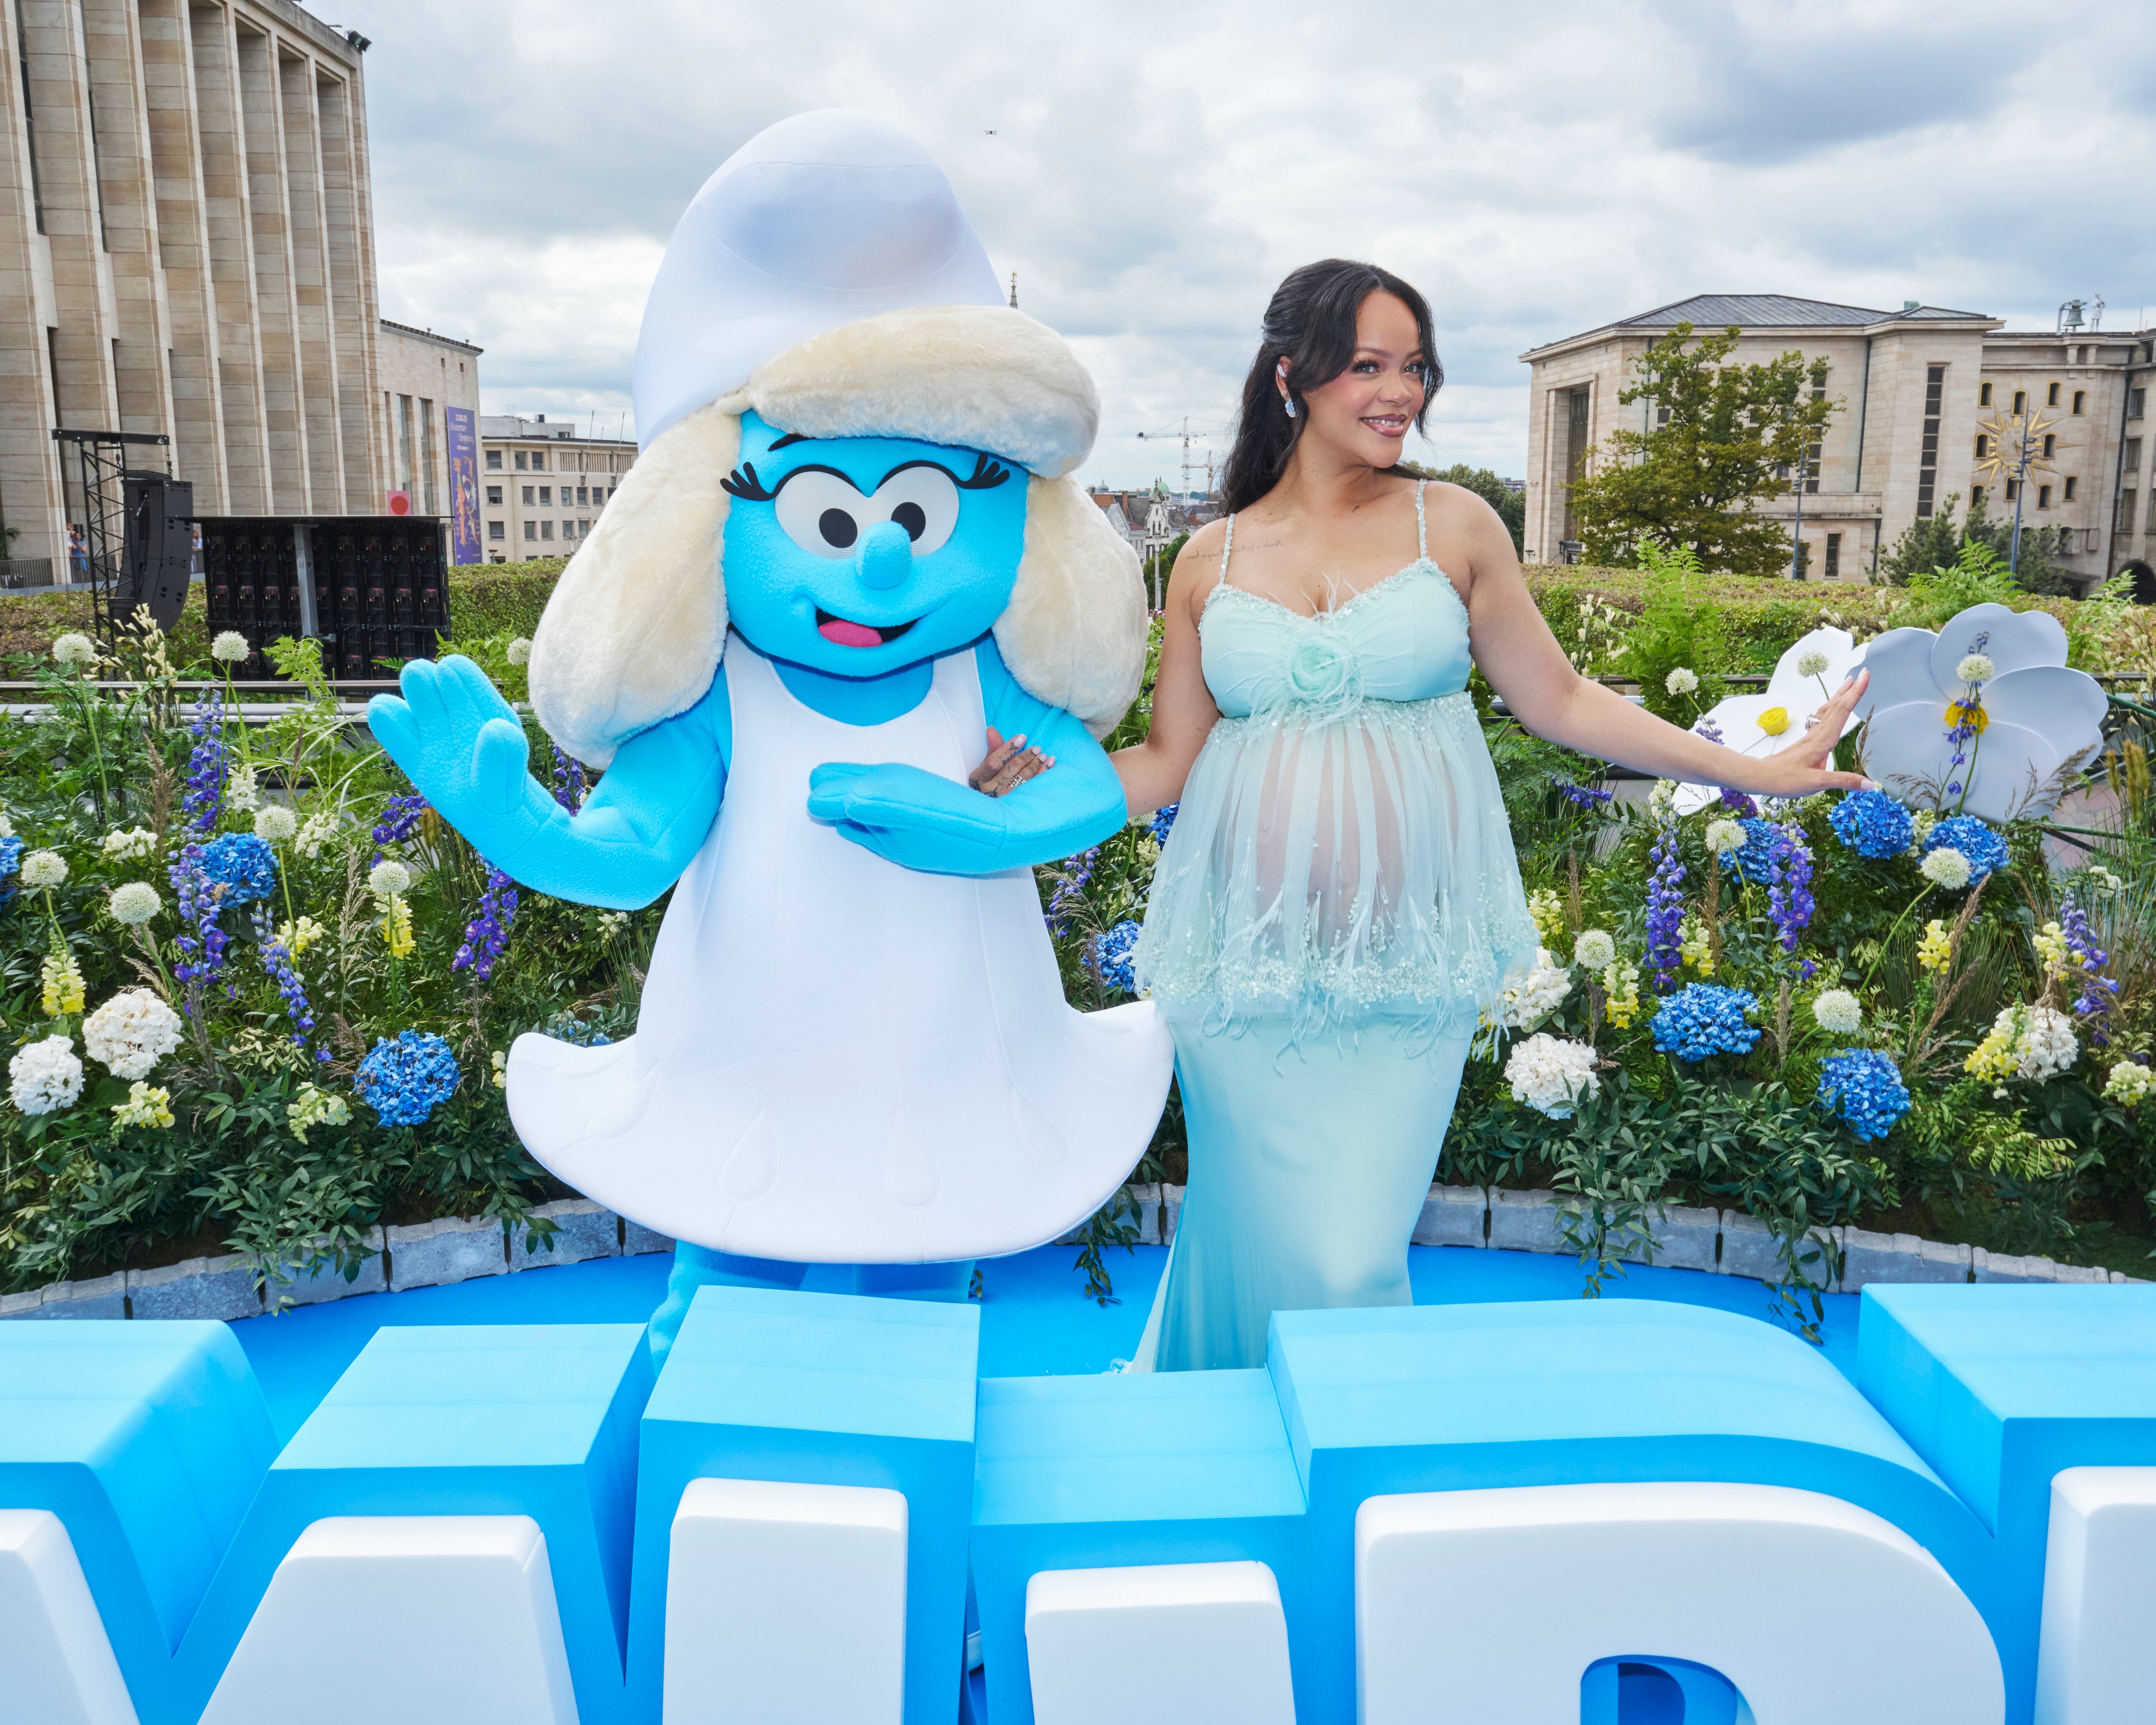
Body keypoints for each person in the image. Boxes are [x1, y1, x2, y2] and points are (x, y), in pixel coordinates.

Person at [1108, 259, 1870, 1372]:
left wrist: (1749, 765)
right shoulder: (1206, 557)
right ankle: (1220, 1447)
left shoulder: (1453, 523)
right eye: (1367, 364)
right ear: (1293, 377)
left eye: (1413, 366)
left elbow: (1559, 699)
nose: (1398, 391)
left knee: (1347, 1258)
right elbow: (1167, 762)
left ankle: (1340, 1475)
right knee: (1248, 1229)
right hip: (1244, 974)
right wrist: (1035, 787)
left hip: (1404, 972)